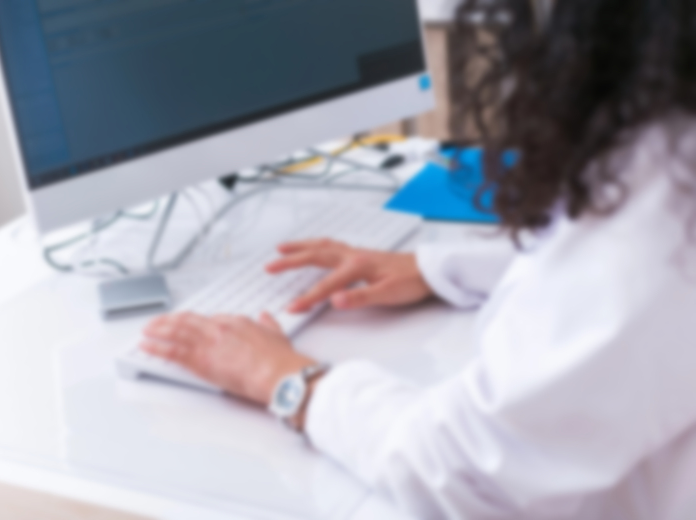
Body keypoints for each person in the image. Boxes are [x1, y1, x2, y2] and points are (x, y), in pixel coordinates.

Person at [139, 0, 696, 518]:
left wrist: (293, 384)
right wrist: (437, 269)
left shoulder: (662, 205)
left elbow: (461, 467)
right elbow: (612, 282)